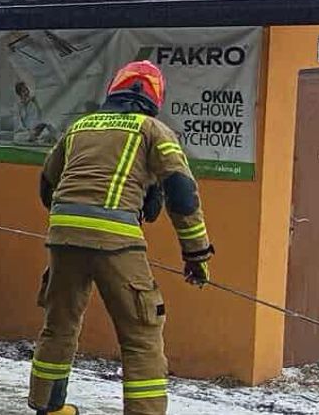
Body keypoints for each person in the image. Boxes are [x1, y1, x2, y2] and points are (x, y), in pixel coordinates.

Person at [28, 60, 214, 415]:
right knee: (141, 334)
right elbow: (182, 194)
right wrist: (197, 255)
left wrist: (74, 220)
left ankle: (47, 407)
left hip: (63, 238)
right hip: (118, 242)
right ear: (155, 98)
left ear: (114, 89)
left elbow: (47, 183)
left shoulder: (79, 127)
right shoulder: (153, 131)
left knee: (59, 324)